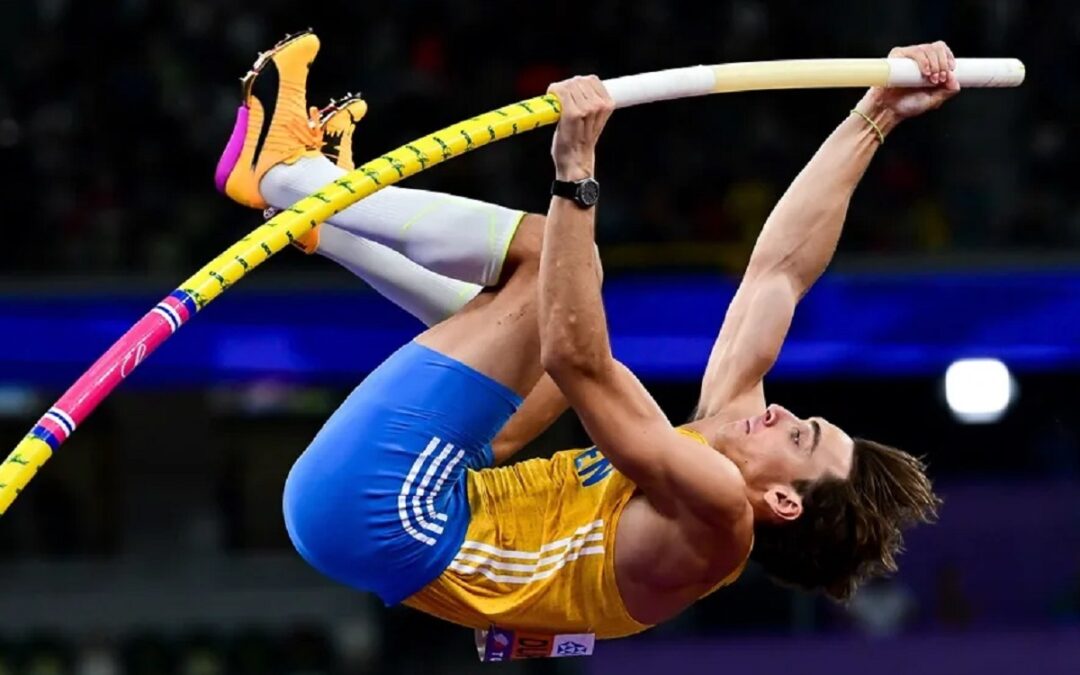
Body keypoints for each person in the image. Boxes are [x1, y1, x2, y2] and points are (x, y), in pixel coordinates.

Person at [215, 31, 950, 656]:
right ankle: (329, 215)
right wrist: (874, 116)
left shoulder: (718, 513)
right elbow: (781, 273)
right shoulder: (727, 446)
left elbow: (578, 353)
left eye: (802, 434)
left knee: (556, 264)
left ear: (783, 500)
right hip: (438, 499)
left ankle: (291, 177)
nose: (785, 410)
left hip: (381, 514)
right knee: (556, 323)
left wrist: (576, 172)